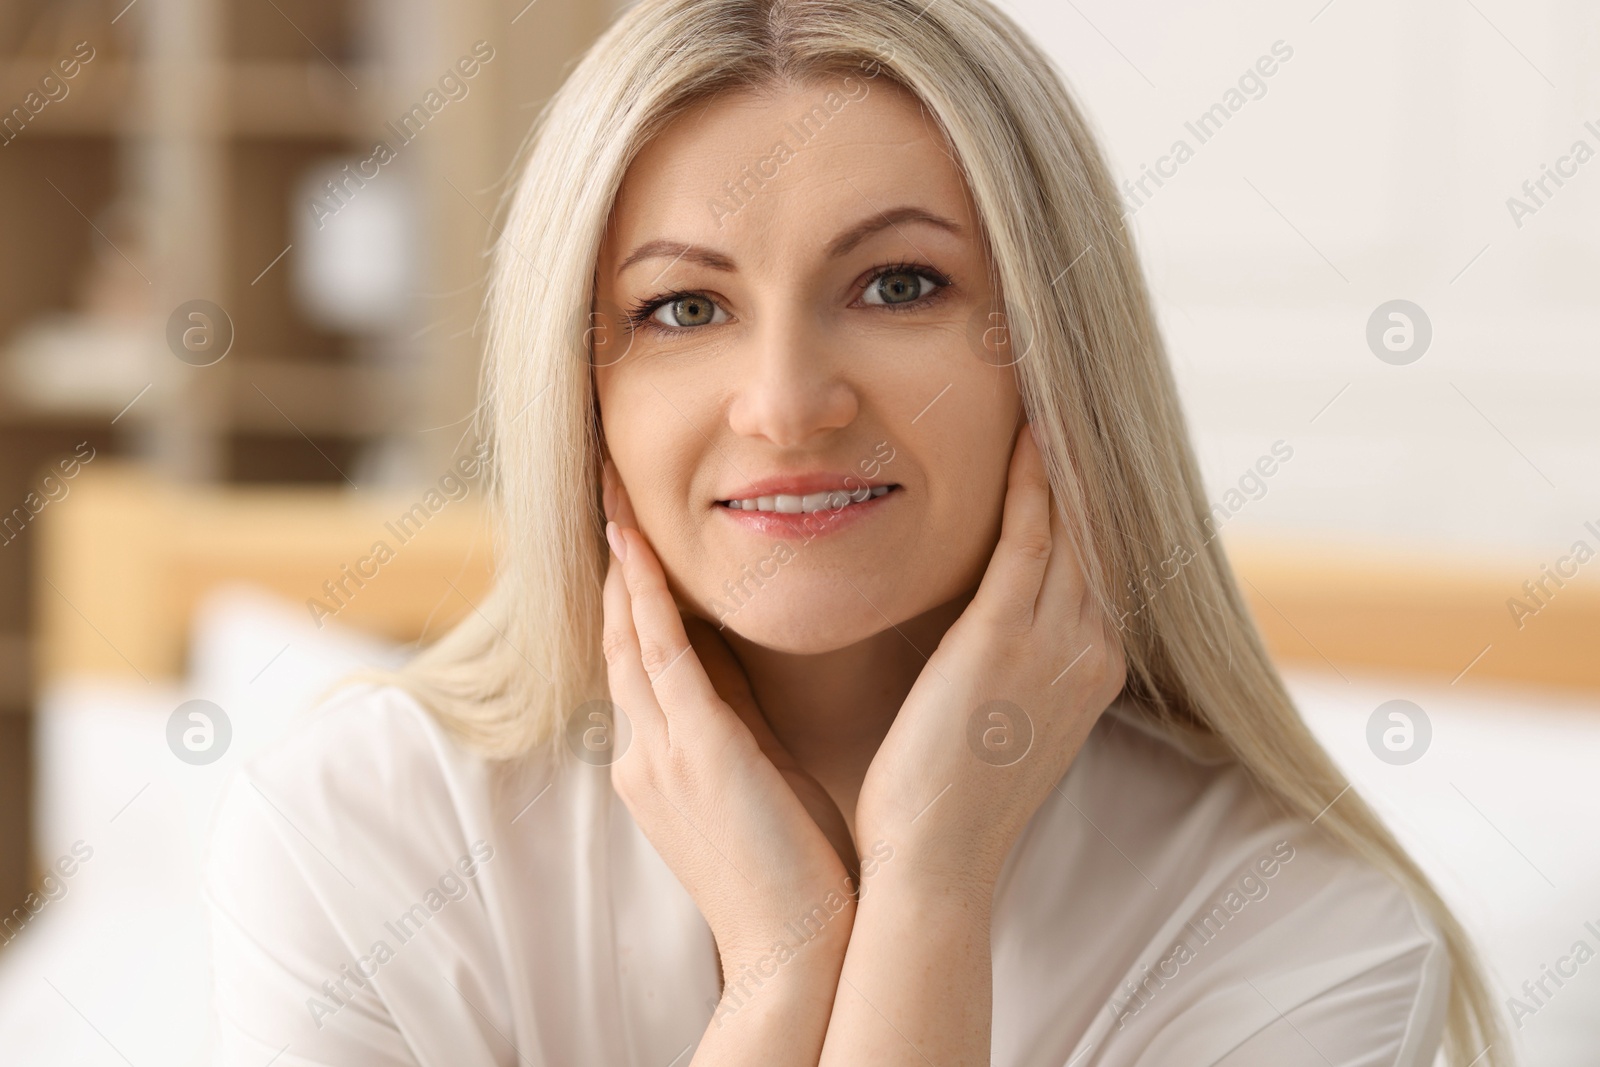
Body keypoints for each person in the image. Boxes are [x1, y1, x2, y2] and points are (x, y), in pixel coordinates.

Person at [202, 1, 1509, 1064]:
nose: (785, 406)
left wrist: (928, 892)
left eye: (899, 285)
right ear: (575, 385)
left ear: (1058, 359)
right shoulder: (360, 834)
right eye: (679, 308)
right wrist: (782, 975)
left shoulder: (1298, 935)